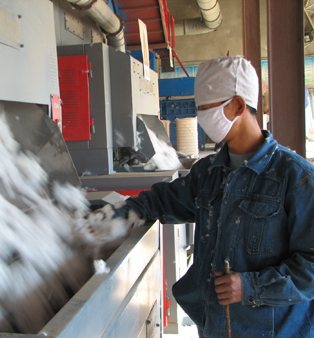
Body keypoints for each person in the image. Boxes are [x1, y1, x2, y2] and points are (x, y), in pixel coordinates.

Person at [110, 57, 314, 337]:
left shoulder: (297, 178)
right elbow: (161, 201)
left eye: (207, 109)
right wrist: (112, 215)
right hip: (214, 328)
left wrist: (250, 286)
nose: (201, 117)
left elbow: (311, 269)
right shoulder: (208, 173)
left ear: (239, 106)